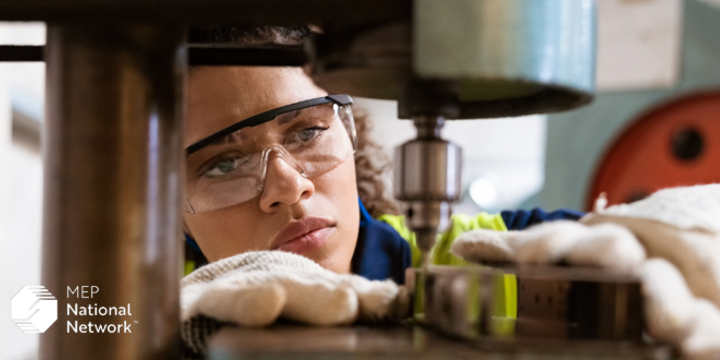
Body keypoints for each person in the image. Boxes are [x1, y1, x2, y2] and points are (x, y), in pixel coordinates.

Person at [179, 26, 583, 358]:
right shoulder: (144, 308)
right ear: (168, 210)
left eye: (307, 132)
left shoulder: (473, 259)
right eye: (224, 164)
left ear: (347, 129)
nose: (289, 187)